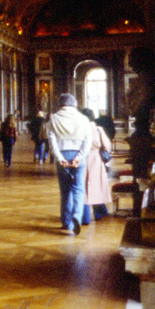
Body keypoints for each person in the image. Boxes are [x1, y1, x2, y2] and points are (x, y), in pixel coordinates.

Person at [48, 94, 92, 235]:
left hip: (62, 154)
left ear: (60, 104)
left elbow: (51, 141)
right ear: (74, 104)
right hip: (78, 154)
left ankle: (67, 222)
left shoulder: (54, 118)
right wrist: (79, 157)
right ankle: (77, 216)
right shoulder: (83, 119)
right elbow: (88, 141)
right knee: (78, 189)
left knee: (65, 191)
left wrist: (59, 158)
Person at [79, 108, 112, 224]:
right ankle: (100, 213)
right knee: (97, 186)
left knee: (82, 186)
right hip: (96, 159)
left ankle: (84, 217)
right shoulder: (98, 129)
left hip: (82, 159)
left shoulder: (80, 129)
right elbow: (107, 146)